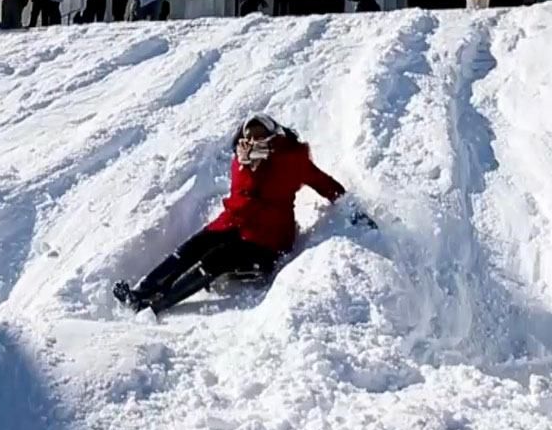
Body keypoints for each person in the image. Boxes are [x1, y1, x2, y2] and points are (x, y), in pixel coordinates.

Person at [113, 113, 372, 314]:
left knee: (216, 259)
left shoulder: (293, 160)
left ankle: (155, 307)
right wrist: (249, 165)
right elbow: (245, 194)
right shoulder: (241, 160)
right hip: (232, 224)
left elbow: (326, 184)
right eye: (249, 137)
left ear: (273, 134)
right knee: (191, 249)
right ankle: (142, 293)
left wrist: (352, 209)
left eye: (260, 136)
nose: (254, 141)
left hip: (268, 240)